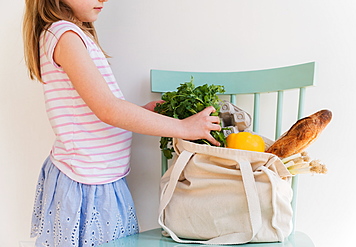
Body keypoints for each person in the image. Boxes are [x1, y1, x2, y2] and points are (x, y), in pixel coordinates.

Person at [22, 0, 221, 246]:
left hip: (100, 177)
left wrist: (142, 112)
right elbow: (107, 109)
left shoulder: (71, 35)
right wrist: (184, 128)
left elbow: (93, 109)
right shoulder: (66, 37)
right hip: (86, 183)